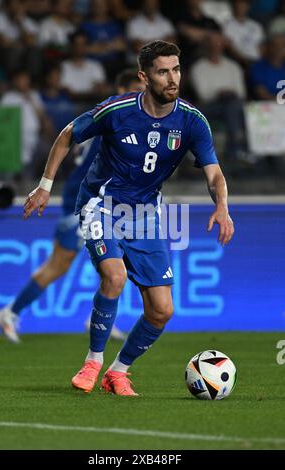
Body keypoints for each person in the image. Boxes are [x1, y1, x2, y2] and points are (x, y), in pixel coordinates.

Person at [22, 41, 234, 396]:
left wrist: (223, 205)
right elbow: (67, 136)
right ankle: (92, 362)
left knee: (162, 311)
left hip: (146, 213)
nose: (172, 79)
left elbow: (214, 174)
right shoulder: (117, 110)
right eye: (163, 71)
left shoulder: (192, 121)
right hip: (100, 204)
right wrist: (45, 186)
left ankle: (117, 372)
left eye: (177, 70)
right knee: (114, 275)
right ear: (144, 76)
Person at [0, 68, 145, 344]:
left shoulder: (109, 118)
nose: (139, 97)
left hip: (97, 203)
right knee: (63, 264)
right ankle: (10, 312)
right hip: (85, 204)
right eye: (134, 90)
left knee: (109, 261)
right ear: (122, 90)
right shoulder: (114, 120)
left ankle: (94, 317)